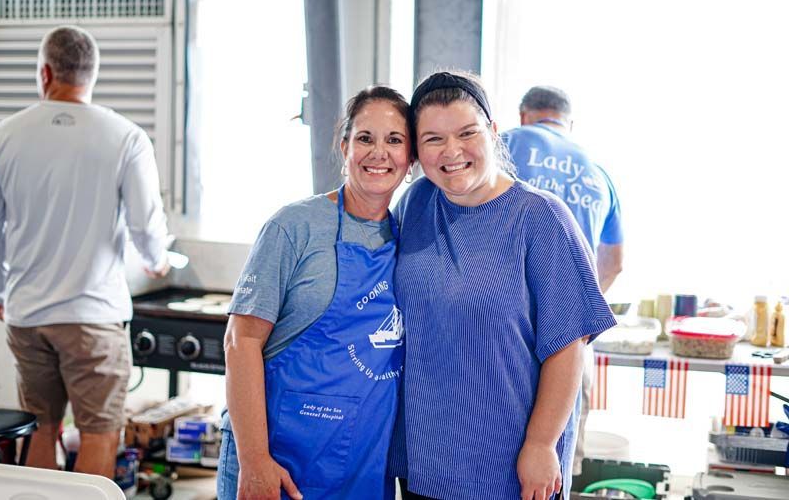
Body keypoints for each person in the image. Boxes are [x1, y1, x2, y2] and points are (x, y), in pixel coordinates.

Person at [388, 71, 616, 500]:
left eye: (466, 133)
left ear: (493, 132)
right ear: (417, 150)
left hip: (507, 460)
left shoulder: (541, 217)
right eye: (433, 139)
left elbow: (568, 345)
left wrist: (541, 444)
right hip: (425, 453)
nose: (451, 151)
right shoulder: (415, 203)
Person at [0, 25, 171, 477]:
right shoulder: (125, 136)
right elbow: (145, 225)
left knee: (41, 429)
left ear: (45, 72)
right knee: (99, 433)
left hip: (28, 315)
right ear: (91, 75)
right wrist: (157, 261)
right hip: (94, 317)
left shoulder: (3, 137)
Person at [218, 85, 413, 500]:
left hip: (362, 462)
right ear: (344, 147)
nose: (379, 153)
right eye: (365, 138)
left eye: (394, 140)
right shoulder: (295, 226)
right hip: (279, 459)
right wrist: (254, 461)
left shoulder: (411, 240)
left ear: (410, 159)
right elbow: (241, 341)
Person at [503, 86, 623, 474]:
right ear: (569, 122)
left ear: (525, 115)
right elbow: (615, 261)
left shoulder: (503, 143)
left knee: (498, 444)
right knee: (555, 453)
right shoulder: (598, 171)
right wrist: (577, 308)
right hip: (572, 338)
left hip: (506, 327)